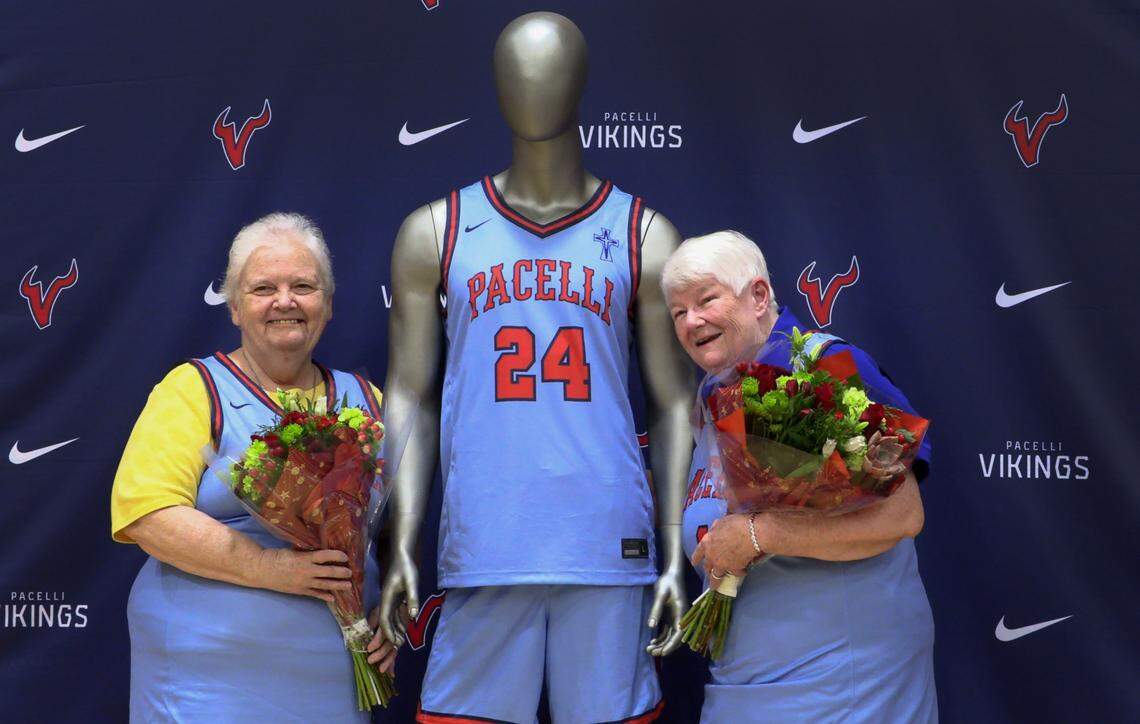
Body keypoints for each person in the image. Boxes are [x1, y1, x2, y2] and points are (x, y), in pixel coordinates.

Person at [376, 13, 694, 723]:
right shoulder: (436, 231)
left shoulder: (646, 233)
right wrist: (400, 541)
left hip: (607, 537)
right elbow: (408, 396)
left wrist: (674, 551)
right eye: (516, 72)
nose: (533, 87)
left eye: (550, 70)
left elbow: (676, 405)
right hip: (489, 535)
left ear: (579, 84)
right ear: (495, 88)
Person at [110, 213, 396, 722]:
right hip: (205, 681)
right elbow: (147, 514)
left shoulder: (368, 402)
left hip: (333, 679)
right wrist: (273, 569)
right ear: (236, 308)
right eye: (263, 287)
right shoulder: (193, 388)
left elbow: (392, 533)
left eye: (303, 286)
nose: (284, 300)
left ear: (327, 305)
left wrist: (387, 612)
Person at [663, 230, 937, 723]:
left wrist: (756, 534)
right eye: (678, 312)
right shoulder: (712, 392)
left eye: (706, 300)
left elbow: (901, 513)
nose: (692, 321)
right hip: (747, 681)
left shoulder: (823, 364)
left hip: (845, 682)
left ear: (759, 296)